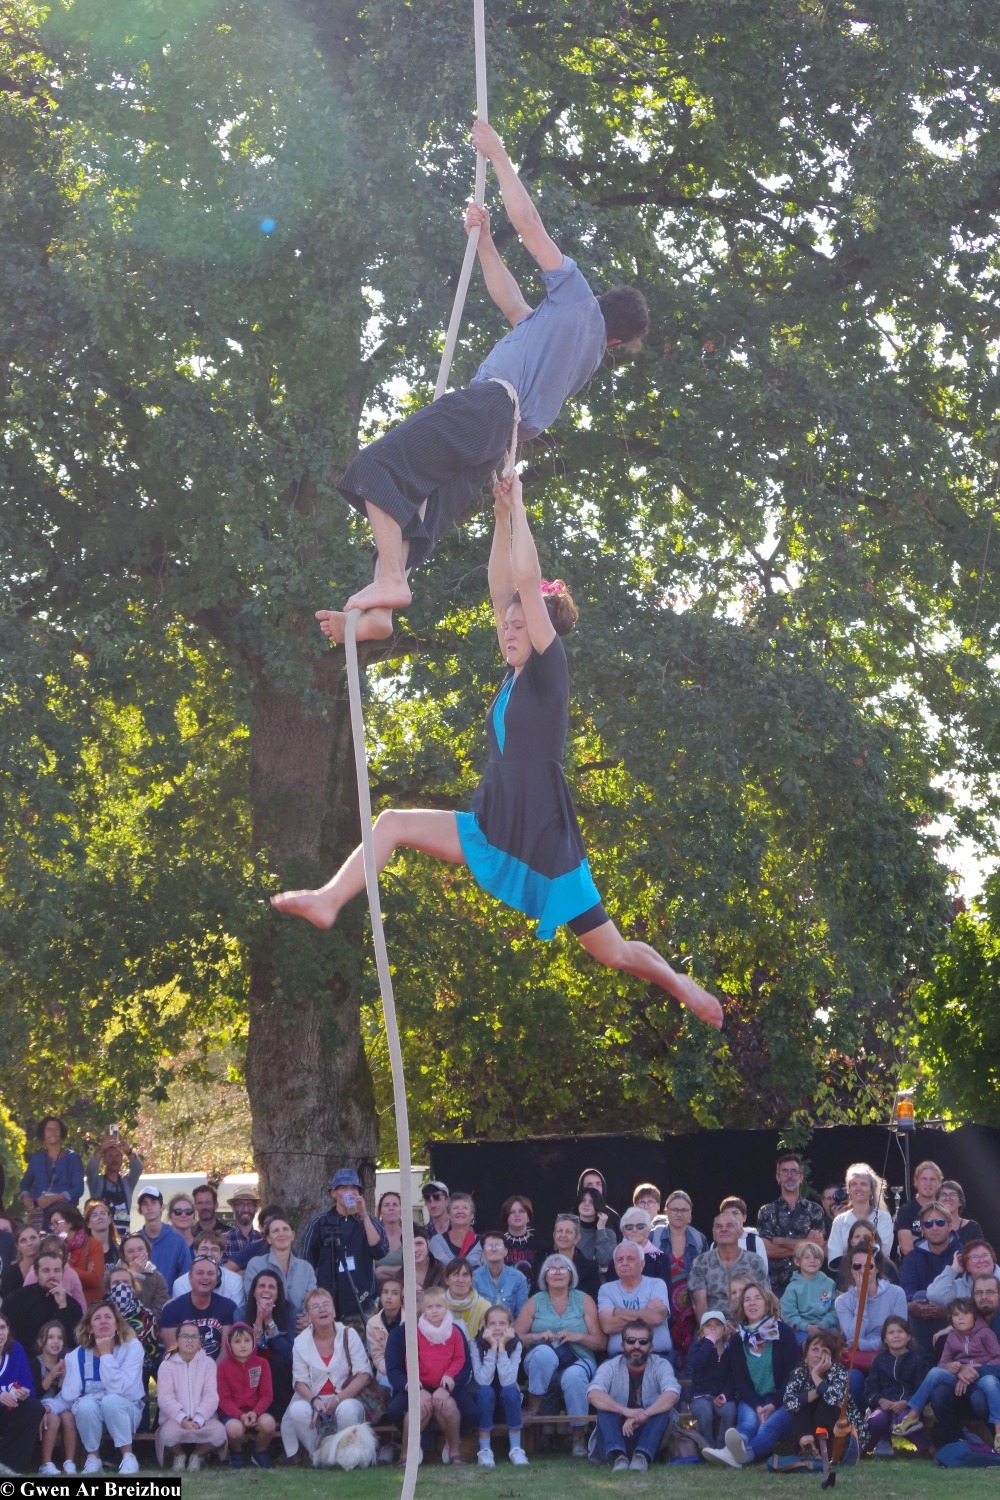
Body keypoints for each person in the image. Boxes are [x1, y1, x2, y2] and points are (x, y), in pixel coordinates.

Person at [274, 474, 723, 1029]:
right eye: (505, 626)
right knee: (389, 822)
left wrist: (521, 507)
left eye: (517, 626)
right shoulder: (511, 678)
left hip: (540, 836)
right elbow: (501, 589)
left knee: (616, 953)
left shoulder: (547, 673)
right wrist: (500, 518)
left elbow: (526, 585)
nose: (507, 631)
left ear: (537, 632)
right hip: (492, 823)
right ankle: (328, 898)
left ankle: (681, 986)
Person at [317, 118, 649, 646]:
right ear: (615, 341)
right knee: (416, 517)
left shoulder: (577, 298)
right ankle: (383, 606)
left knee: (376, 466)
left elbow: (532, 225)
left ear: (601, 301)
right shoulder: (582, 355)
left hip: (488, 408)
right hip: (498, 448)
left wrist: (496, 155)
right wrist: (486, 245)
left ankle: (390, 580)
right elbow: (515, 305)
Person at [515, 1253, 606, 1456]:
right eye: (552, 1269)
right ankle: (534, 1407)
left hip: (578, 1358)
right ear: (544, 1277)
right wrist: (538, 1336)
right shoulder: (534, 1301)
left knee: (574, 1377)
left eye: (562, 1268)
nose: (557, 1272)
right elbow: (515, 1338)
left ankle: (578, 1438)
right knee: (544, 1355)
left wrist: (577, 1336)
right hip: (541, 1362)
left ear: (571, 1274)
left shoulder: (584, 1300)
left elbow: (600, 1342)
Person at [385, 1285, 476, 1466]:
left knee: (470, 1411)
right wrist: (415, 1388)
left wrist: (448, 1383)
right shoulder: (407, 1333)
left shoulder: (455, 1331)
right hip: (418, 1383)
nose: (434, 1311)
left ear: (446, 1307)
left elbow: (462, 1361)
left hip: (447, 1383)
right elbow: (404, 1363)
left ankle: (453, 1447)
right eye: (430, 1307)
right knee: (401, 1409)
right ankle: (407, 1453)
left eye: (438, 1306)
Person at [281, 1287, 373, 1465]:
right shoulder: (300, 1342)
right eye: (315, 1307)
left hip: (346, 1396)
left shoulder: (349, 1334)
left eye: (326, 1304)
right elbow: (299, 1382)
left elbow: (364, 1375)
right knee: (297, 1410)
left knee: (347, 1409)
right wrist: (314, 1401)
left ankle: (344, 1456)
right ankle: (318, 1456)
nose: (322, 1309)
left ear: (334, 1311)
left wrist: (337, 1399)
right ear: (308, 1316)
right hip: (314, 1397)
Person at [893, 1297, 1000, 1447]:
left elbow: (997, 1359)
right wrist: (951, 1367)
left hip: (981, 1377)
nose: (960, 1318)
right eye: (956, 1315)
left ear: (974, 1317)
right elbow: (943, 1363)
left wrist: (977, 1367)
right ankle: (913, 1414)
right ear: (951, 1320)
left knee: (991, 1382)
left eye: (965, 1314)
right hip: (958, 1378)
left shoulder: (986, 1333)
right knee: (935, 1372)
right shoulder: (952, 1337)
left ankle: (998, 1431)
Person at [712, 1283, 800, 1456]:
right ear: (742, 1306)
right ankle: (734, 1449)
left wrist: (773, 1404)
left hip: (783, 1399)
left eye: (757, 1298)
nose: (752, 1303)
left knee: (767, 1428)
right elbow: (740, 1381)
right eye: (747, 1300)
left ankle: (744, 1455)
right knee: (748, 1425)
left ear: (767, 1303)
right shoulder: (738, 1340)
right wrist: (758, 1406)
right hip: (753, 1399)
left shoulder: (784, 1332)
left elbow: (793, 1375)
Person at [587, 1316, 680, 1471]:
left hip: (649, 1437)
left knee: (664, 1410)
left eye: (643, 1342)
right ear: (623, 1345)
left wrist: (643, 1415)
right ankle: (618, 1457)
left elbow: (672, 1394)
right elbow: (593, 1393)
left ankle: (641, 1456)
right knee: (604, 1407)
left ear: (651, 1346)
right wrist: (626, 1411)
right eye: (631, 1341)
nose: (636, 1345)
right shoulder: (610, 1366)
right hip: (615, 1435)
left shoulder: (661, 1365)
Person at [62, 1300, 144, 1475]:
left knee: (111, 1401)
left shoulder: (132, 1348)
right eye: (97, 1318)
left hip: (126, 1408)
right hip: (93, 1412)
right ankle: (93, 1458)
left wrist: (106, 1355)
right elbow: (69, 1395)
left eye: (108, 1317)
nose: (104, 1321)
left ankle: (128, 1458)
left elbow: (123, 1389)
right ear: (90, 1328)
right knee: (84, 1405)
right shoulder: (76, 1355)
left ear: (117, 1324)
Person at [299, 1169, 388, 1326]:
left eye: (354, 1188)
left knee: (363, 1350)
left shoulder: (369, 1220)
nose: (350, 1192)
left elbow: (380, 1251)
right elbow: (306, 1263)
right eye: (344, 1188)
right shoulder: (320, 1222)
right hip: (327, 1306)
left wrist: (364, 1216)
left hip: (362, 1304)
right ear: (334, 1193)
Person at [154, 1319, 228, 1471]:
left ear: (200, 1342)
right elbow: (165, 1398)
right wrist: (182, 1419)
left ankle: (197, 1455)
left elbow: (211, 1396)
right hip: (175, 1419)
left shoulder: (208, 1364)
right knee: (167, 1435)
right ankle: (179, 1455)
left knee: (219, 1433)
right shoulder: (166, 1365)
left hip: (203, 1420)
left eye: (194, 1337)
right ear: (178, 1340)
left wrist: (199, 1419)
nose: (190, 1340)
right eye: (185, 1336)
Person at [756, 1153, 827, 1299]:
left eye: (794, 1171)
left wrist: (781, 1241)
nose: (789, 1176)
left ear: (801, 1177)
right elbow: (767, 1250)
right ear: (778, 1177)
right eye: (785, 1171)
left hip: (809, 1285)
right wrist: (806, 1245)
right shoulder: (766, 1211)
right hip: (776, 1287)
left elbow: (817, 1248)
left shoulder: (815, 1210)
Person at [862, 1315, 932, 1457]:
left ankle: (927, 1449)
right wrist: (880, 1400)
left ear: (908, 1337)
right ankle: (863, 1449)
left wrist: (907, 1402)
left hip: (909, 1406)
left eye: (900, 1332)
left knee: (905, 1419)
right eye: (891, 1332)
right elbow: (870, 1390)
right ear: (885, 1339)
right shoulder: (879, 1360)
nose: (896, 1336)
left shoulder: (917, 1360)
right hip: (884, 1406)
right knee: (877, 1419)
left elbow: (922, 1390)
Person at [899, 1200, 961, 1357]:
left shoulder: (962, 1253)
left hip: (957, 1314)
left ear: (949, 1225)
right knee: (920, 1298)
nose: (934, 1228)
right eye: (928, 1224)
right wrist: (913, 1306)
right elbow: (906, 1292)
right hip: (922, 1318)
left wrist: (946, 1311)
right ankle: (923, 1361)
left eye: (940, 1222)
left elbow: (968, 1293)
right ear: (922, 1229)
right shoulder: (912, 1257)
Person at [471, 1303, 528, 1467]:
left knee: (510, 1390)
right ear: (485, 1326)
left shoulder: (515, 1344)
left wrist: (501, 1347)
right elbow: (483, 1380)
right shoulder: (476, 1344)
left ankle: (516, 1449)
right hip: (484, 1405)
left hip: (507, 1405)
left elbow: (508, 1381)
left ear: (510, 1326)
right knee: (485, 1390)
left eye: (502, 1324)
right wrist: (492, 1348)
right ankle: (485, 1451)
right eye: (492, 1324)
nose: (497, 1328)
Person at [655, 1190, 706, 1368]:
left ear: (690, 1213)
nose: (679, 1213)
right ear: (666, 1211)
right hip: (663, 1308)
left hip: (690, 1310)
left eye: (684, 1210)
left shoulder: (699, 1239)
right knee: (665, 1359)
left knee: (691, 1361)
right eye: (674, 1209)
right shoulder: (654, 1237)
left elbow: (705, 1274)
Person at [217, 1322, 277, 1469]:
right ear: (229, 1345)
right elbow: (223, 1399)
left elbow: (266, 1395)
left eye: (247, 1340)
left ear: (253, 1343)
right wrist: (240, 1415)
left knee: (269, 1424)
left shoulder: (262, 1364)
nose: (242, 1345)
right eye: (237, 1341)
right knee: (235, 1430)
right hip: (232, 1415)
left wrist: (255, 1412)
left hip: (256, 1412)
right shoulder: (222, 1368)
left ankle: (259, 1453)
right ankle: (236, 1453)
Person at [688, 1212, 769, 1319]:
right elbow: (699, 1304)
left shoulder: (755, 1262)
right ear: (713, 1233)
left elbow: (764, 1298)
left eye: (729, 1226)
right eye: (719, 1226)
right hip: (712, 1326)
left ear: (740, 1232)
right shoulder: (701, 1262)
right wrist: (713, 1328)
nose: (724, 1229)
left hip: (748, 1325)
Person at [835, 1248, 907, 1367]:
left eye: (869, 1266)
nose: (863, 1270)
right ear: (851, 1270)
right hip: (858, 1359)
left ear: (877, 1268)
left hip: (890, 1355)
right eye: (857, 1266)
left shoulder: (896, 1293)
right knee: (854, 1379)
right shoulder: (842, 1302)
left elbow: (899, 1335)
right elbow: (854, 1338)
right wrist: (861, 1300)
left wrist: (865, 1345)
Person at [598, 1241, 673, 1356]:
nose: (624, 1263)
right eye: (619, 1260)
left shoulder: (657, 1284)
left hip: (656, 1355)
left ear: (642, 1264)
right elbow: (608, 1326)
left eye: (630, 1259)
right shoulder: (606, 1290)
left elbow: (657, 1318)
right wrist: (646, 1312)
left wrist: (619, 1312)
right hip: (619, 1357)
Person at [4, 1246, 83, 1354]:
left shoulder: (73, 1306)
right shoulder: (16, 1300)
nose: (52, 1275)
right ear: (36, 1273)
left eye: (57, 1270)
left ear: (62, 1273)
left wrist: (63, 1307)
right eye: (46, 1270)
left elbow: (74, 1342)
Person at [160, 1252, 237, 1358]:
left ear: (216, 1279)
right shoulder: (171, 1309)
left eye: (210, 1273)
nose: (205, 1277)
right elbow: (173, 1353)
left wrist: (210, 1374)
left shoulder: (228, 1307)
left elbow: (225, 1354)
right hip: (181, 1370)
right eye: (200, 1273)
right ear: (190, 1278)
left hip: (217, 1372)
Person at [0, 1309, 46, 1476]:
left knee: (35, 1407)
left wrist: (24, 1394)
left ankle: (8, 1465)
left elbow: (30, 1388)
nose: (0, 1333)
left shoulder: (16, 1350)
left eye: (2, 1327)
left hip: (8, 1413)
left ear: (8, 1330)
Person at [245, 1215, 316, 1322]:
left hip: (302, 1330)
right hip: (267, 1327)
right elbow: (253, 1300)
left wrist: (306, 1320)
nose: (281, 1234)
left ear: (293, 1235)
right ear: (268, 1239)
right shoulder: (255, 1265)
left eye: (285, 1229)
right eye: (276, 1231)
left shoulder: (306, 1268)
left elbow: (312, 1302)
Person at [19, 1117, 85, 1231]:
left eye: (56, 1129)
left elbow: (78, 1188)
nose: (52, 1132)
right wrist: (25, 1196)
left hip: (65, 1214)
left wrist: (54, 1198)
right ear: (43, 1133)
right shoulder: (36, 1158)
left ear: (61, 1132)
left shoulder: (73, 1158)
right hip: (39, 1215)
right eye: (49, 1129)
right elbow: (24, 1183)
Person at [245, 1270, 294, 1421]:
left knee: (280, 1361)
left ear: (278, 1294)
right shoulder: (240, 1312)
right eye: (261, 1286)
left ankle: (279, 1419)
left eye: (271, 1287)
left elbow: (287, 1352)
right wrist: (258, 1321)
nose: (266, 1290)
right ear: (253, 1293)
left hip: (280, 1369)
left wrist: (269, 1320)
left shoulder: (290, 1311)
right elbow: (245, 1352)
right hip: (248, 1364)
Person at [32, 1320, 78, 1475]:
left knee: (68, 1417)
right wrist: (52, 1376)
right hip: (40, 1406)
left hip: (60, 1405)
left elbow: (65, 1393)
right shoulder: (35, 1363)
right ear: (41, 1341)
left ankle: (69, 1462)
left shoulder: (66, 1363)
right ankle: (46, 1463)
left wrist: (63, 1379)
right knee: (53, 1418)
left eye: (59, 1338)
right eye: (50, 1337)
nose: (55, 1341)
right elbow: (35, 1392)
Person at [826, 1163, 894, 1267]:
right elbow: (834, 1258)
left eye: (863, 1184)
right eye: (854, 1184)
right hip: (847, 1275)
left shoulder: (883, 1217)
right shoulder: (839, 1221)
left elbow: (883, 1253)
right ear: (848, 1190)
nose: (858, 1188)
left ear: (871, 1190)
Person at [687, 1308, 736, 1447]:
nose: (713, 1328)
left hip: (721, 1396)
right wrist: (708, 1342)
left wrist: (725, 1395)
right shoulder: (698, 1348)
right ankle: (708, 1448)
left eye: (718, 1325)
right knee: (705, 1413)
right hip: (700, 1397)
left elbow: (732, 1377)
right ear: (702, 1332)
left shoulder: (730, 1351)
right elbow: (697, 1364)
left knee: (730, 1410)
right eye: (708, 1326)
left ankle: (721, 1447)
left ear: (725, 1329)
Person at [173, 1231, 246, 1317]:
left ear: (221, 1253)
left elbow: (236, 1316)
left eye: (214, 1250)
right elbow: (183, 1317)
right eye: (204, 1249)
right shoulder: (180, 1283)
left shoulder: (235, 1280)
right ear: (195, 1252)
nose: (209, 1254)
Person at [85, 1136, 143, 1240]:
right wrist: (101, 1149)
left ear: (122, 1160)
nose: (114, 1159)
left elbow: (138, 1169)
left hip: (124, 1239)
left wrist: (128, 1152)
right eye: (110, 1156)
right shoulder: (97, 1183)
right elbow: (90, 1169)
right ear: (104, 1161)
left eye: (117, 1156)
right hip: (102, 1239)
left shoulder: (127, 1183)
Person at [780, 1241, 839, 1342]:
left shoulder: (829, 1284)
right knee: (803, 1343)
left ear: (821, 1262)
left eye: (816, 1257)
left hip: (825, 1327)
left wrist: (823, 1325)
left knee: (836, 1339)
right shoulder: (792, 1287)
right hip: (801, 1330)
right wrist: (807, 1327)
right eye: (807, 1257)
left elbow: (835, 1309)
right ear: (798, 1262)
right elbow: (788, 1315)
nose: (812, 1260)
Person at [47, 1205, 105, 1307]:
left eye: (56, 1223)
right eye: (51, 1225)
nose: (53, 1228)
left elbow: (96, 1279)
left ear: (70, 1222)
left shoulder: (93, 1244)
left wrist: (65, 1267)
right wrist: (85, 1273)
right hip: (60, 1304)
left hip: (88, 1307)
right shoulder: (53, 1248)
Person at [137, 1187, 192, 1288]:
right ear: (139, 1210)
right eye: (144, 1204)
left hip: (171, 1302)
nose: (149, 1207)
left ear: (162, 1207)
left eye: (153, 1202)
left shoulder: (178, 1241)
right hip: (140, 1303)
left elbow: (187, 1278)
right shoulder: (134, 1242)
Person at [927, 1238, 999, 1308]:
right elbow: (934, 1295)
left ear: (993, 1259)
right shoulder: (957, 1287)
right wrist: (953, 1269)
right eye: (974, 1257)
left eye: (985, 1255)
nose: (981, 1260)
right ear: (967, 1266)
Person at [473, 1230, 529, 1319]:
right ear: (483, 1253)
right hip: (483, 1329)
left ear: (506, 1251)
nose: (494, 1249)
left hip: (511, 1329)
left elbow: (522, 1315)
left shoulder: (519, 1278)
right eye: (489, 1246)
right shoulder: (474, 1277)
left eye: (498, 1245)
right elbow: (473, 1313)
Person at [893, 1161, 945, 1257]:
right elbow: (906, 1248)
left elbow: (949, 1243)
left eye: (932, 1179)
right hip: (915, 1267)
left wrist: (916, 1239)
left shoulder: (944, 1210)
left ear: (939, 1182)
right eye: (924, 1179)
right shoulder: (906, 1210)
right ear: (916, 1181)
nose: (928, 1183)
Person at [551, 1215, 601, 1301]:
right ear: (554, 1235)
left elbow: (594, 1301)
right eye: (559, 1231)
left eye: (568, 1232)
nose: (563, 1235)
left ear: (577, 1238)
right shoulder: (544, 1266)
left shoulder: (591, 1268)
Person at [501, 1194, 547, 1287]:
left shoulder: (540, 1245)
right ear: (506, 1217)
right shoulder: (498, 1243)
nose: (517, 1214)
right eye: (512, 1212)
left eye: (521, 1211)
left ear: (528, 1216)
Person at [614, 1208, 670, 1284]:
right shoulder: (617, 1260)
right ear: (624, 1233)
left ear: (648, 1230)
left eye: (640, 1226)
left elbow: (664, 1293)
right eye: (629, 1227)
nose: (634, 1230)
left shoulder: (661, 1260)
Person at [119, 1232, 170, 1315]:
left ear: (147, 1252)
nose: (136, 1254)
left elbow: (160, 1311)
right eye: (131, 1251)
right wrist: (133, 1275)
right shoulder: (113, 1278)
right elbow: (121, 1307)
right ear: (124, 1256)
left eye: (140, 1249)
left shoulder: (158, 1279)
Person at [429, 1192, 483, 1267]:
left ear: (472, 1216)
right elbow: (440, 1264)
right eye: (455, 1208)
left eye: (465, 1208)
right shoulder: (437, 1241)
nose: (460, 1212)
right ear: (449, 1215)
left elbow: (487, 1269)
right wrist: (475, 1263)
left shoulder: (482, 1242)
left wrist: (448, 1261)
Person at [365, 1277, 402, 1387]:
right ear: (380, 1297)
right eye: (385, 1292)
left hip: (409, 1372)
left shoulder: (411, 1320)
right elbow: (377, 1357)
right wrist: (394, 1371)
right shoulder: (372, 1323)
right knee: (387, 1384)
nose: (389, 1297)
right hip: (385, 1373)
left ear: (402, 1298)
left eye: (394, 1293)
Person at [444, 1258, 492, 1338]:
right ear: (446, 1280)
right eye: (456, 1274)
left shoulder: (484, 1307)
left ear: (471, 1280)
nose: (460, 1280)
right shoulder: (436, 1305)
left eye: (465, 1275)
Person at [576, 1186, 617, 1273]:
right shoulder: (569, 1230)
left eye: (591, 1202)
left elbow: (605, 1261)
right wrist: (599, 1269)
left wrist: (601, 1229)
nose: (586, 1204)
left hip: (599, 1283)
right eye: (583, 1200)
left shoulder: (609, 1234)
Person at [0, 1222, 42, 1297]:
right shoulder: (9, 1273)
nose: (29, 1243)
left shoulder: (49, 1267)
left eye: (33, 1238)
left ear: (40, 1239)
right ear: (17, 1246)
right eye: (23, 1240)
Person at [938, 1180, 985, 1246]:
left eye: (953, 1195)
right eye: (943, 1195)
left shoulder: (973, 1228)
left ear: (960, 1201)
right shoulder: (931, 1226)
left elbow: (980, 1253)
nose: (947, 1198)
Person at [223, 1188, 263, 1261]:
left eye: (249, 1204)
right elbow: (221, 1270)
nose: (246, 1209)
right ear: (233, 1208)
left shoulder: (263, 1239)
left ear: (256, 1208)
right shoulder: (224, 1240)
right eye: (241, 1204)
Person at [374, 1191, 405, 1283]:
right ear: (380, 1211)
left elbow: (416, 1268)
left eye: (395, 1204)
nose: (391, 1208)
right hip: (378, 1291)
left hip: (406, 1288)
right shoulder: (373, 1234)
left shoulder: (411, 1233)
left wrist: (383, 1269)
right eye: (386, 1205)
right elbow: (372, 1273)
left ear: (401, 1210)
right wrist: (400, 1271)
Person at [84, 1200, 119, 1273]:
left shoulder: (119, 1249)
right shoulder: (83, 1251)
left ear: (109, 1219)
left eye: (103, 1213)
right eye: (94, 1215)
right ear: (88, 1224)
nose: (99, 1217)